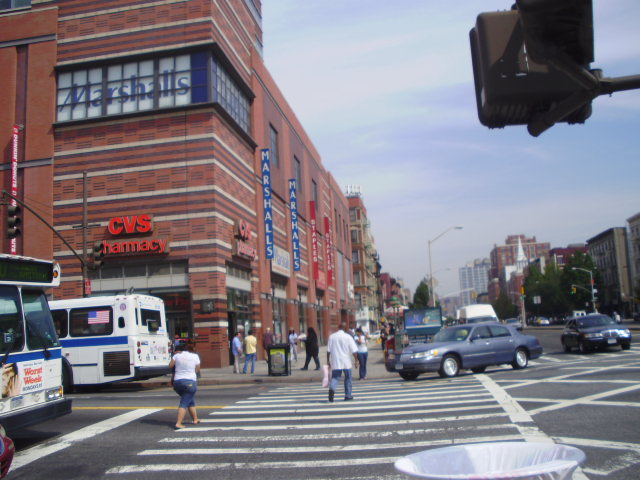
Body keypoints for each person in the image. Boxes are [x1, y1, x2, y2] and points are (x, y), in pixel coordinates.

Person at [169, 342, 201, 429]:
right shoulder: (195, 356)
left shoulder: (176, 356)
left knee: (189, 399)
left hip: (177, 382)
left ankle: (195, 419)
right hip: (190, 381)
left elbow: (170, 365)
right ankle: (178, 423)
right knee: (185, 402)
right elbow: (198, 369)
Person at [326, 321, 358, 402]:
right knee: (348, 378)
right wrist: (356, 360)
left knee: (335, 377)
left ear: (338, 328)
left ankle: (332, 389)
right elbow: (354, 350)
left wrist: (328, 360)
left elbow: (328, 350)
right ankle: (348, 395)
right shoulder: (348, 337)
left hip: (336, 360)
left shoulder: (332, 337)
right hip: (346, 361)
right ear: (345, 328)